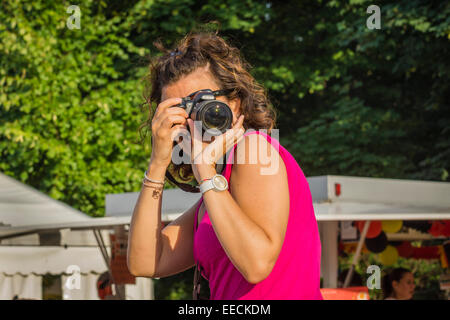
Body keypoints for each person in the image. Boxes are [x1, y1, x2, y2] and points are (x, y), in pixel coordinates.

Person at [127, 30, 323, 300]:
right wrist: (157, 162)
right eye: (180, 110)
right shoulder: (216, 192)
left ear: (235, 101)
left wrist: (205, 172)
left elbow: (256, 264)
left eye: (202, 100)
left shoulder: (254, 148)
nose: (194, 117)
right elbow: (146, 261)